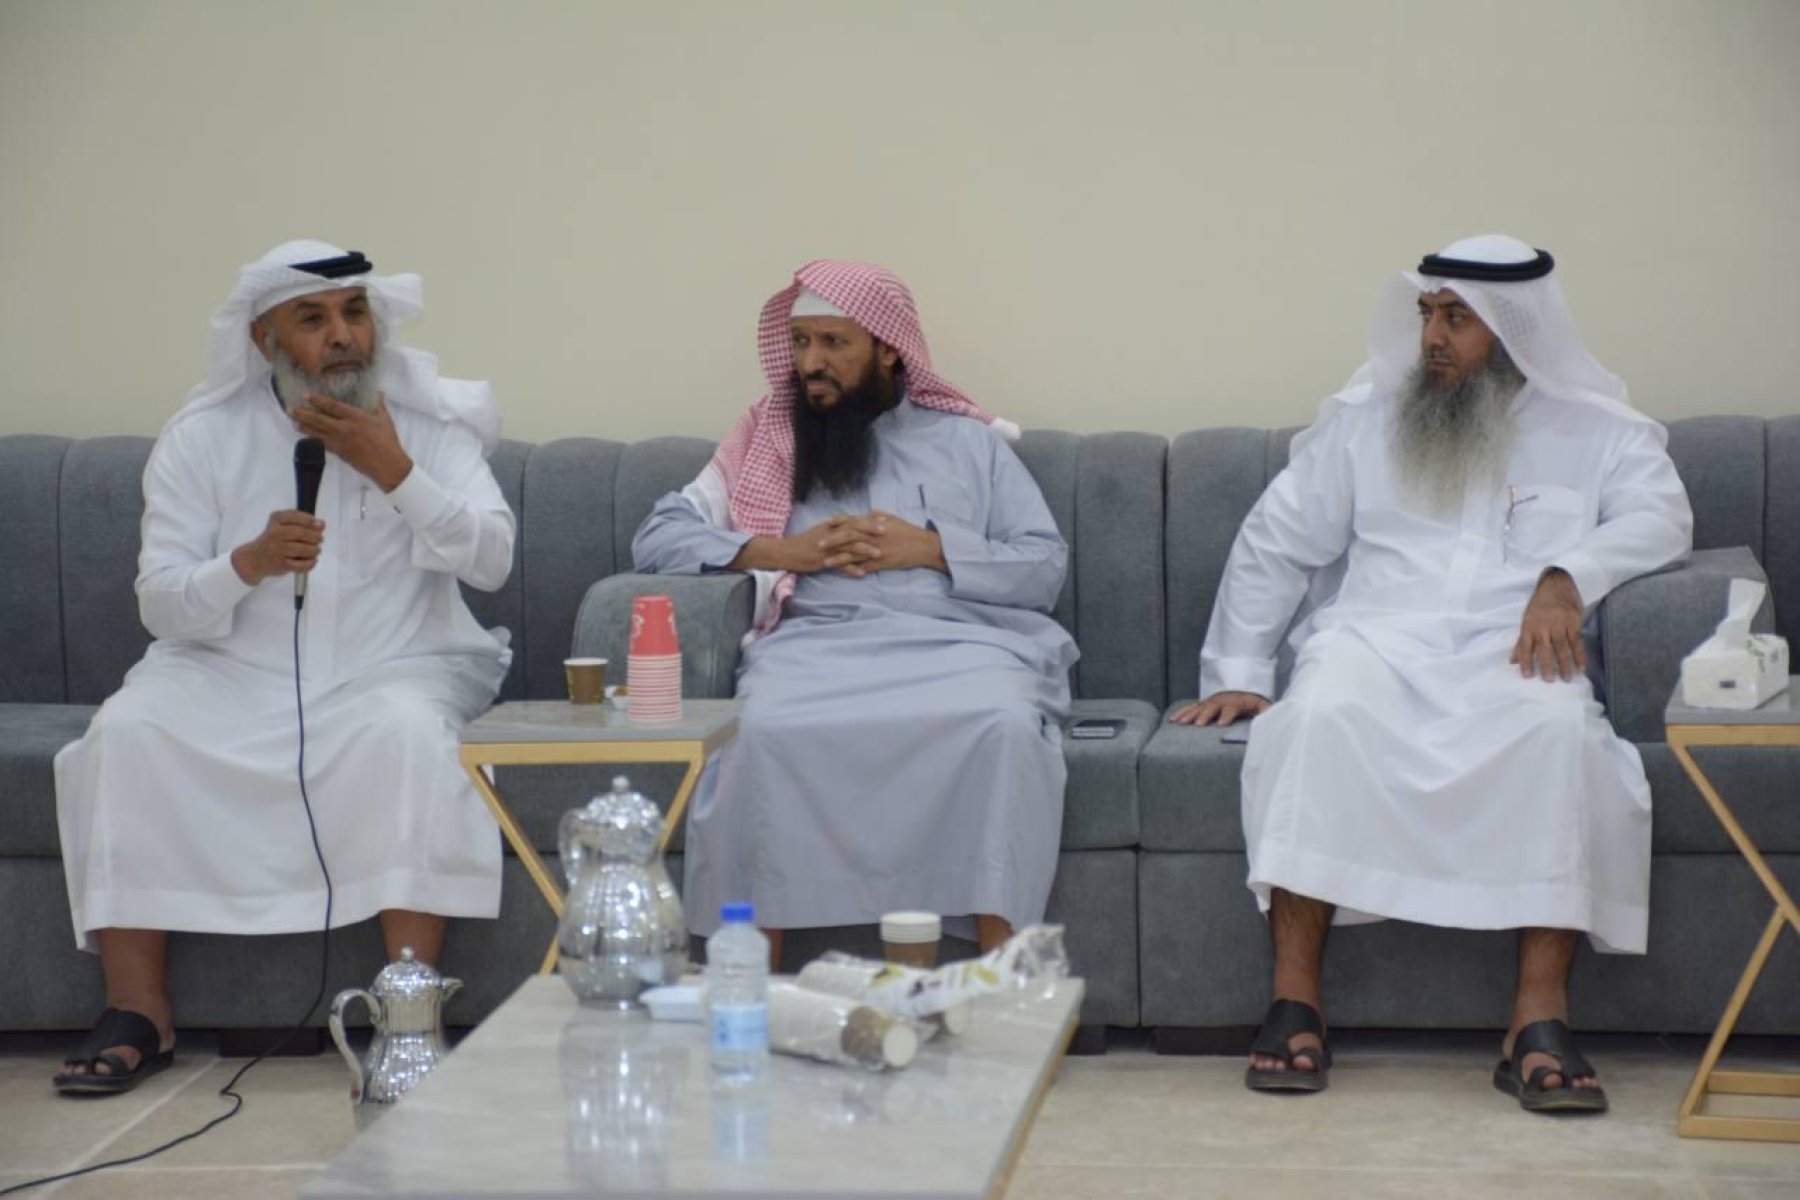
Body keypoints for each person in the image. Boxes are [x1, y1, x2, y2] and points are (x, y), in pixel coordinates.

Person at [1172, 235, 1692, 1112]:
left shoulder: (1599, 431)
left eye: (1457, 319)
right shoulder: (1370, 420)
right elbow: (1277, 539)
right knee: (1314, 720)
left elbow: (1662, 520)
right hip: (1374, 642)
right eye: (1427, 315)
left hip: (1510, 654)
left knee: (1561, 736)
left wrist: (1568, 577)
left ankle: (1536, 1021)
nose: (1432, 339)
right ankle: (1295, 1003)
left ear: (1517, 329)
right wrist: (1241, 668)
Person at [52, 240, 514, 1094]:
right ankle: (137, 1012)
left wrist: (397, 471)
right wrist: (248, 564)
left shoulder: (431, 425)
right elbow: (160, 604)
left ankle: (409, 1015)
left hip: (397, 663)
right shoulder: (202, 438)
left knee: (409, 737)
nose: (343, 335)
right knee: (127, 733)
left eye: (355, 313)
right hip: (230, 673)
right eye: (313, 318)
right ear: (264, 340)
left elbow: (492, 561)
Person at [633, 260, 1077, 965]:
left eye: (834, 343)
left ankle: (1005, 987)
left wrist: (934, 549)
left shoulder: (968, 444)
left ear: (888, 349)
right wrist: (786, 551)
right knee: (756, 734)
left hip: (963, 649)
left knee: (1003, 727)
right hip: (817, 651)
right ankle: (752, 990)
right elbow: (659, 535)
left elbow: (1044, 565)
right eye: (801, 341)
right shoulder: (769, 442)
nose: (812, 362)